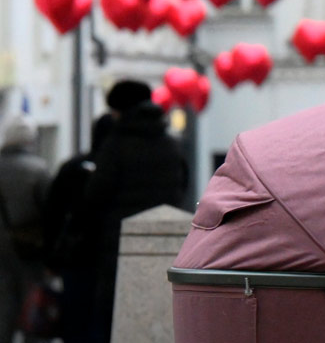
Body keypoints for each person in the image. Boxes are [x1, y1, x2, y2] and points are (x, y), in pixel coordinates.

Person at [82, 80, 188, 343]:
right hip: (168, 241)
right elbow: (182, 185)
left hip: (119, 244)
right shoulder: (170, 144)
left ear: (121, 110)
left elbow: (95, 195)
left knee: (115, 316)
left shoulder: (116, 144)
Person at [42, 114, 115, 343]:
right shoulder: (122, 173)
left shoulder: (72, 168)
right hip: (110, 255)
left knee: (76, 320)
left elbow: (52, 214)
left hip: (76, 256)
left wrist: (51, 258)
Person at [0, 114, 50, 343]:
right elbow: (50, 211)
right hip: (29, 246)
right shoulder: (38, 169)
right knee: (32, 302)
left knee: (4, 304)